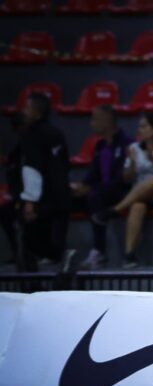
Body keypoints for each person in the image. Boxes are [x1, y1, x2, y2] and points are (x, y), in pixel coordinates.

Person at [91, 113, 153, 268]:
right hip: (139, 194)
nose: (139, 130)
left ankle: (114, 210)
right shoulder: (134, 148)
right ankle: (129, 255)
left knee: (152, 182)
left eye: (144, 126)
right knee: (137, 207)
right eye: (139, 126)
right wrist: (132, 162)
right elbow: (127, 178)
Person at [73, 105, 133, 268]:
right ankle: (57, 255)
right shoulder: (99, 145)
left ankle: (99, 251)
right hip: (101, 190)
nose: (91, 123)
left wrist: (91, 188)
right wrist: (82, 185)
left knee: (94, 197)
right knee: (67, 199)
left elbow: (123, 178)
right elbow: (94, 172)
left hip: (121, 192)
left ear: (107, 120)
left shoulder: (127, 143)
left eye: (95, 119)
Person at [16, 93, 70, 271]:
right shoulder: (57, 133)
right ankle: (60, 261)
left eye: (27, 108)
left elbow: (32, 168)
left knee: (30, 240)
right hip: (61, 195)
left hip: (42, 198)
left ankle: (31, 285)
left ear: (36, 112)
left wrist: (30, 200)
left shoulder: (31, 134)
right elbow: (65, 163)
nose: (24, 112)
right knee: (52, 240)